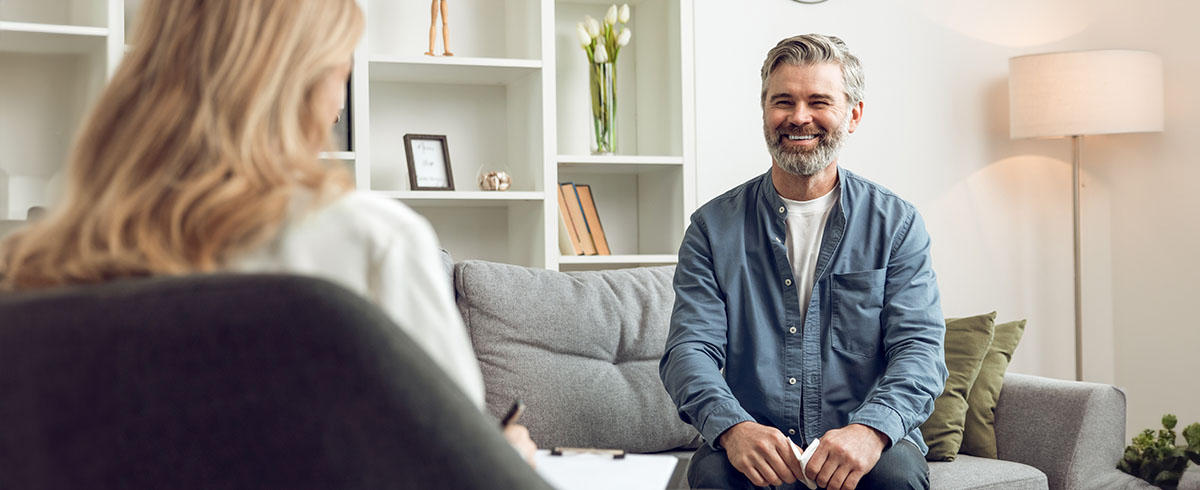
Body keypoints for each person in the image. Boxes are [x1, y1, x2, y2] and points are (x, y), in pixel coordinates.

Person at [0, 0, 533, 466]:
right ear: (301, 78)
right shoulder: (376, 245)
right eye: (340, 69)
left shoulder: (38, 268)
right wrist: (504, 461)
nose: (340, 105)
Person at [659, 34, 947, 490]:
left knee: (897, 477)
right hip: (758, 441)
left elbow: (920, 351)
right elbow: (688, 351)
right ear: (764, 112)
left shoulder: (897, 224)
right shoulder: (712, 228)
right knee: (713, 475)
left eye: (818, 101)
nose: (799, 117)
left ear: (853, 115)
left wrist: (871, 430)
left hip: (867, 441)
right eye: (783, 101)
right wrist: (734, 429)